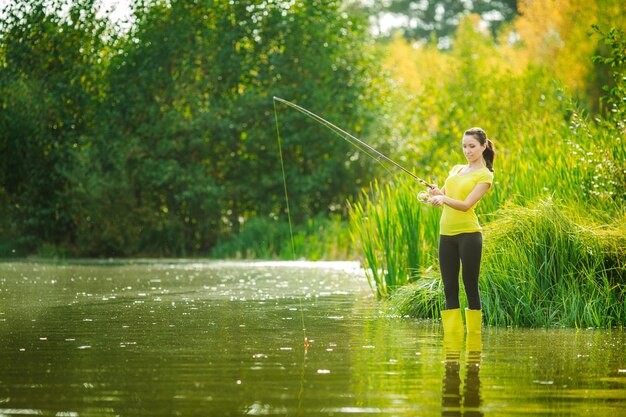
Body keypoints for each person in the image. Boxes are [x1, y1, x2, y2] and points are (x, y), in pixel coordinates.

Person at [427, 127, 495, 335]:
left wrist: (444, 198)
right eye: (464, 146)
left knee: (470, 286)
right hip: (446, 235)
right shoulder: (456, 169)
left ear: (483, 147)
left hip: (469, 235)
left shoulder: (485, 176)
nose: (467, 150)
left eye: (472, 146)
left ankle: (474, 342)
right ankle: (453, 344)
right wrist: (435, 193)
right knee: (449, 289)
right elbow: (446, 196)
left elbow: (465, 205)